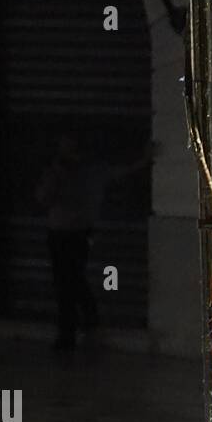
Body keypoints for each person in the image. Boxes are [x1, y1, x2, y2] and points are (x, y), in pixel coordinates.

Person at [36, 133, 152, 353]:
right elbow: (43, 197)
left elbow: (120, 173)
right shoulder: (57, 173)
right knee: (68, 282)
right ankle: (81, 326)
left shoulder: (90, 172)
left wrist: (144, 160)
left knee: (71, 281)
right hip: (60, 233)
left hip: (76, 234)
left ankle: (77, 329)